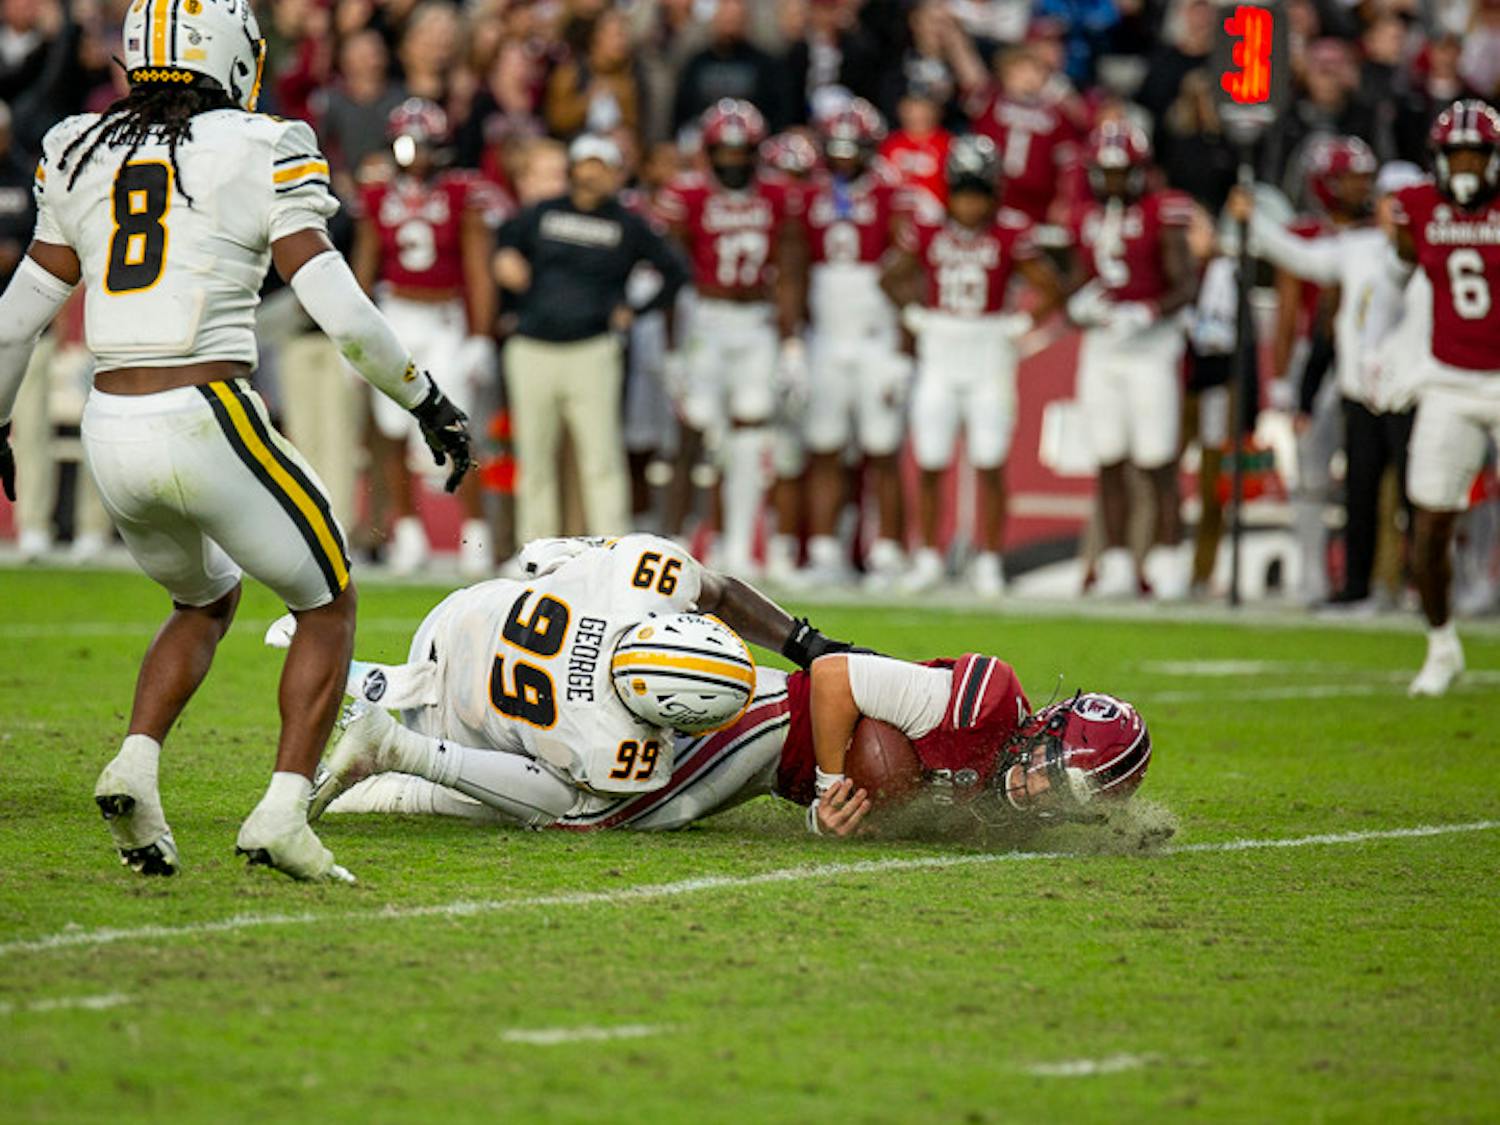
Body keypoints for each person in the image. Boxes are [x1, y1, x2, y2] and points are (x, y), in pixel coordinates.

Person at [0, 0, 473, 882]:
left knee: (204, 599)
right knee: (327, 603)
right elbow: (338, 308)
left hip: (111, 423)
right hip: (205, 405)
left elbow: (14, 322)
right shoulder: (261, 144)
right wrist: (426, 398)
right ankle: (283, 811)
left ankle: (135, 760)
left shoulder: (78, 149)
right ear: (229, 53)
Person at [317, 633, 1153, 839]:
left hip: (772, 759)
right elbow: (834, 675)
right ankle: (396, 767)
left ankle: (407, 744)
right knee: (606, 812)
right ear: (1041, 730)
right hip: (773, 719)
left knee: (595, 783)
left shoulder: (1006, 806)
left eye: (1067, 794)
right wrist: (831, 784)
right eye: (1053, 769)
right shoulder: (974, 702)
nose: (1041, 788)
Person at [303, 534, 868, 822]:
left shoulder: (642, 577)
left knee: (566, 559)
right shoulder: (615, 746)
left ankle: (402, 755)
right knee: (576, 808)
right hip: (442, 726)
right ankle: (405, 765)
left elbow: (537, 557)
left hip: (454, 619)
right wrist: (805, 645)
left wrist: (577, 568)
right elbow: (720, 594)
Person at [1229, 144, 1424, 611]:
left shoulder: (1434, 252)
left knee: (1421, 497)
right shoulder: (1357, 247)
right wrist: (1252, 221)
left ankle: (1425, 586)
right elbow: (1301, 257)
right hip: (1361, 389)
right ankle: (1360, 586)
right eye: (1387, 200)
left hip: (1416, 387)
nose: (1391, 210)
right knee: (1359, 492)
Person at [880, 135, 1064, 597]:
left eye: (977, 194)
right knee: (930, 459)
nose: (969, 205)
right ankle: (927, 555)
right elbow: (890, 276)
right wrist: (912, 313)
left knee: (990, 460)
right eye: (963, 193)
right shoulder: (926, 230)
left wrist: (1023, 321)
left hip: (987, 353)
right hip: (941, 349)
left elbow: (1051, 285)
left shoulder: (1010, 232)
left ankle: (990, 557)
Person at [495, 133, 689, 545]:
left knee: (601, 458)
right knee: (535, 458)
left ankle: (611, 550)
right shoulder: (541, 213)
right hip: (533, 345)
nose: (594, 173)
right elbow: (502, 245)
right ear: (575, 168)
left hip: (593, 348)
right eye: (588, 163)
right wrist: (505, 264)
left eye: (603, 165)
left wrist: (635, 311)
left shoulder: (628, 224)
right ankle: (535, 550)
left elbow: (675, 271)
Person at [352, 98, 499, 576]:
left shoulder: (461, 192)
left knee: (454, 428)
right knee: (392, 432)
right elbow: (363, 268)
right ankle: (408, 533)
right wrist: (350, 333)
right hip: (396, 315)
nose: (414, 154)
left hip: (445, 321)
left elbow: (478, 270)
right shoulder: (376, 195)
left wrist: (481, 335)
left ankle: (475, 534)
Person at [657, 100, 804, 576]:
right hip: (705, 318)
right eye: (725, 151)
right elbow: (668, 273)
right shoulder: (689, 194)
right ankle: (675, 545)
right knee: (696, 432)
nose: (733, 162)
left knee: (750, 435)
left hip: (756, 320)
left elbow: (791, 270)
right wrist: (671, 345)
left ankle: (739, 546)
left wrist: (790, 341)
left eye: (742, 152)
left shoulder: (778, 195)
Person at [1385, 101, 1500, 696]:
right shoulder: (1419, 207)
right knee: (1428, 522)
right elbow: (1404, 255)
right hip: (1450, 381)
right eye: (1456, 154)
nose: (1465, 166)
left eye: (1475, 154)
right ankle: (1442, 646)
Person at [1065, 120, 1198, 599]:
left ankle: (1169, 559)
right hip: (1102, 349)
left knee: (1158, 459)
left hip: (1151, 350)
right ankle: (1118, 561)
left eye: (1121, 172)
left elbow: (1186, 283)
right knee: (1109, 457)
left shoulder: (1163, 211)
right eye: (1105, 171)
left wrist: (1147, 310)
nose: (1113, 181)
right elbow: (1077, 282)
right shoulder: (1084, 215)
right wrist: (1078, 305)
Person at [796, 98, 908, 588]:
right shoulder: (810, 196)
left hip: (874, 338)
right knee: (824, 446)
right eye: (835, 151)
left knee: (883, 447)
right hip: (825, 336)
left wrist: (903, 347)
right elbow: (794, 267)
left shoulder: (892, 194)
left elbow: (914, 263)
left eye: (851, 150)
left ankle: (887, 553)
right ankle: (825, 550)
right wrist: (792, 342)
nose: (843, 161)